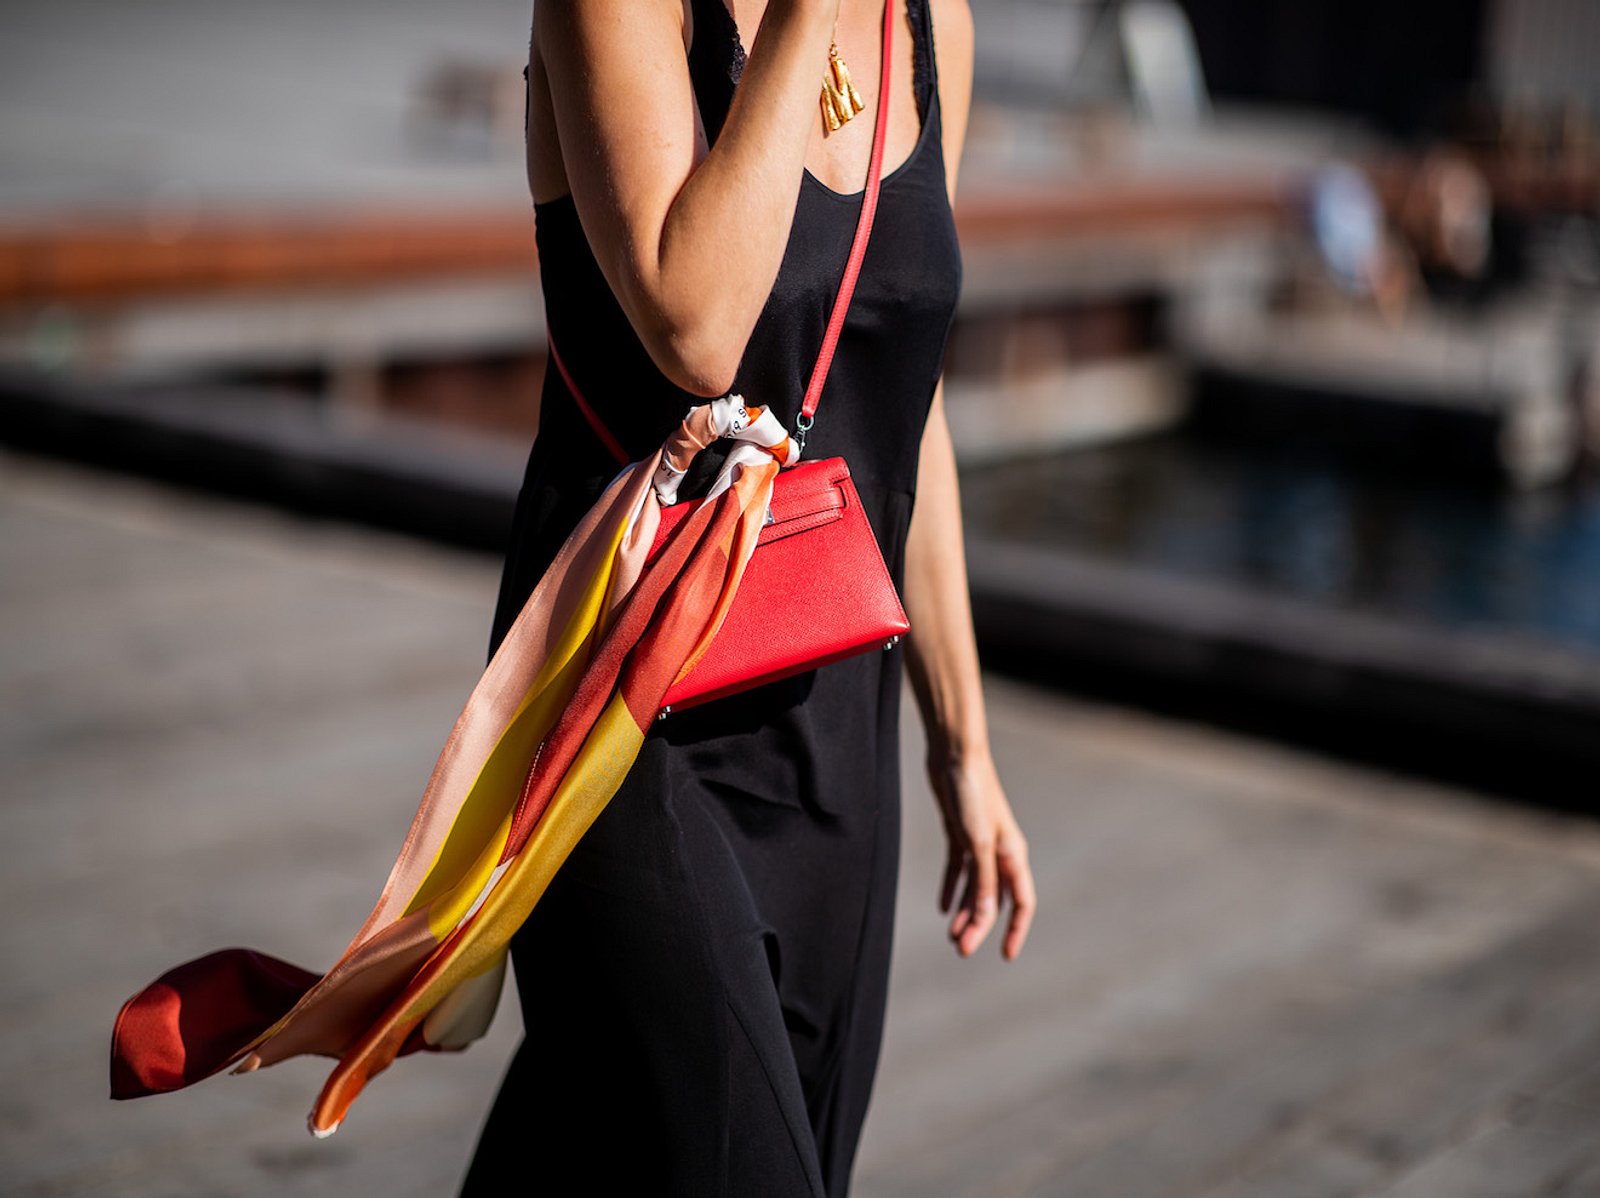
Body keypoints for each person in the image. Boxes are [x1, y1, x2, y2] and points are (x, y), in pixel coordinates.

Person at [458, 0, 1035, 1193]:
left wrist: (962, 746)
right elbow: (697, 322)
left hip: (837, 729)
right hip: (627, 719)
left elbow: (906, 409)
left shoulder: (931, 23)